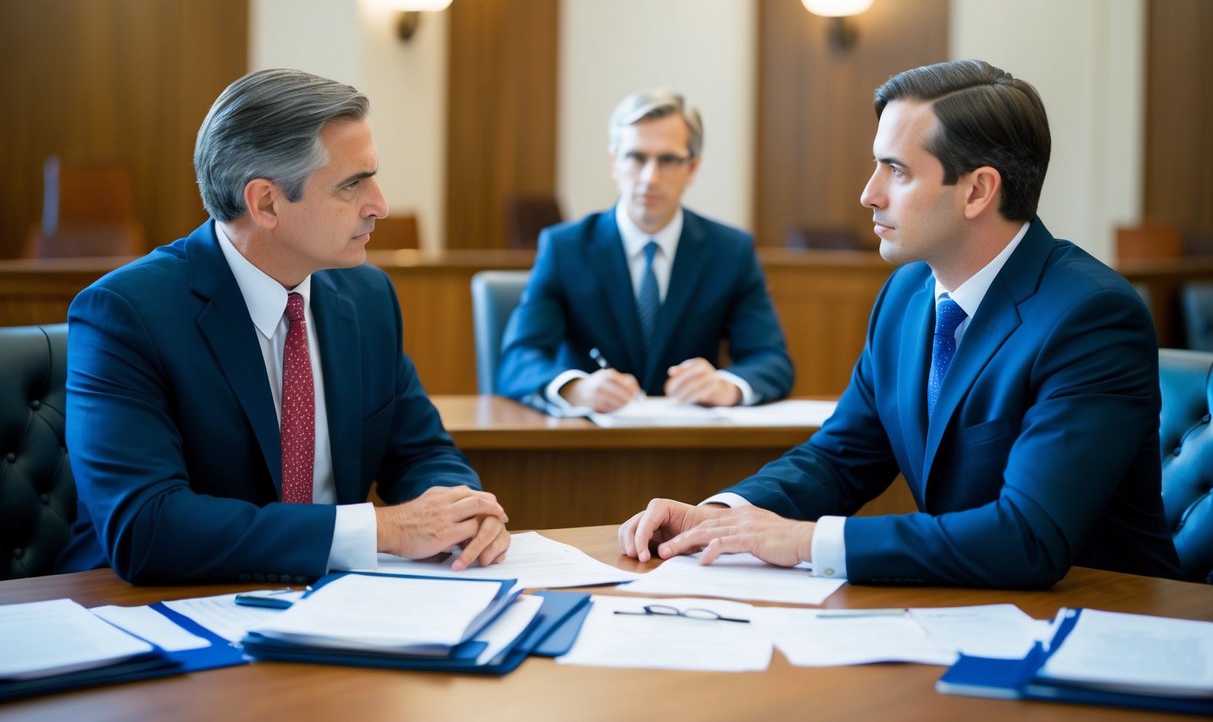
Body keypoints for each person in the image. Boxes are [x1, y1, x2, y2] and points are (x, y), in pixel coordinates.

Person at [620, 59, 1182, 588]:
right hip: (967, 609)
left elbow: (1027, 537)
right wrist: (720, 515)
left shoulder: (1091, 316)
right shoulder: (907, 294)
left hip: (1104, 619)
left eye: (897, 170)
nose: (869, 194)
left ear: (978, 190)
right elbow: (839, 457)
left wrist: (806, 541)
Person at [57, 69, 510, 584]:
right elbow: (147, 528)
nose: (379, 205)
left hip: (333, 606)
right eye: (352, 185)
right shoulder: (125, 314)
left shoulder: (367, 297)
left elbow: (422, 452)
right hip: (150, 612)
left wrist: (460, 510)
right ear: (266, 202)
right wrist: (378, 530)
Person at [497, 89, 794, 414]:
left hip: (690, 446)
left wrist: (727, 386)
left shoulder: (730, 251)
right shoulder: (565, 248)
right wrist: (575, 387)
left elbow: (772, 360)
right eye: (636, 157)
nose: (650, 177)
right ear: (615, 162)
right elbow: (518, 358)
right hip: (586, 443)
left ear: (692, 168)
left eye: (667, 160)